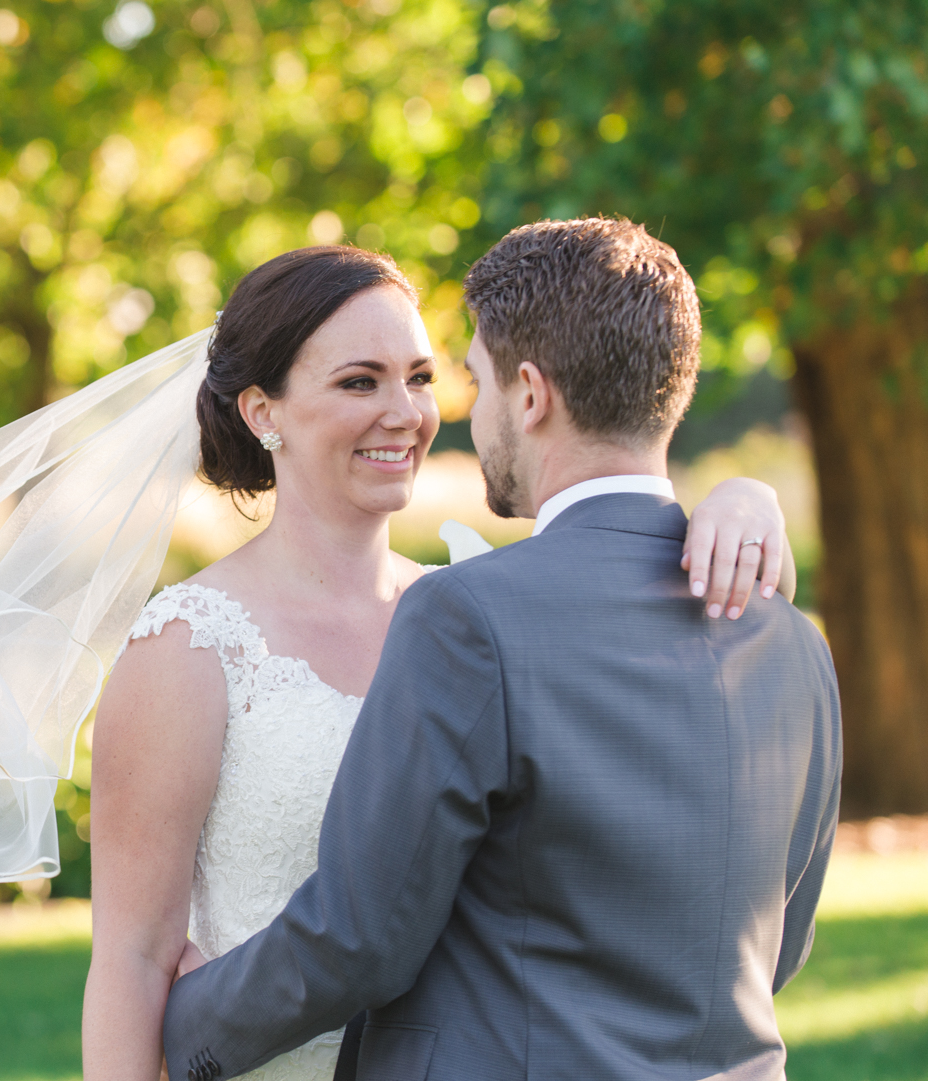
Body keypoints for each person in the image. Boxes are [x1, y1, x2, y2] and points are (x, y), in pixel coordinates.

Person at [152, 222, 839, 1081]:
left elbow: (362, 937)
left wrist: (186, 1024)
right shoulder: (791, 642)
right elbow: (775, 943)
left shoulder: (465, 615)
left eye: (467, 380)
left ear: (530, 395)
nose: (453, 417)